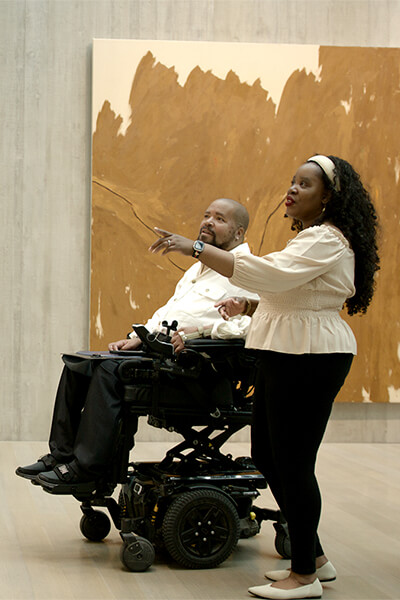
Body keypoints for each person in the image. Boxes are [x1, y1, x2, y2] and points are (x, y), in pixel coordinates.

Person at [149, 155, 380, 600]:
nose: (292, 190)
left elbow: (269, 275)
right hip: (286, 349)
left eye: (306, 185)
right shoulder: (311, 239)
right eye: (292, 182)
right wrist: (250, 307)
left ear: (328, 197)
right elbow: (290, 291)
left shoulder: (328, 239)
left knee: (293, 462)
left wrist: (193, 247)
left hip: (312, 355)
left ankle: (304, 578)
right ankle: (314, 558)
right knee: (267, 454)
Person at [16, 198, 258, 489]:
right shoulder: (198, 270)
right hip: (164, 356)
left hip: (198, 372)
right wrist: (135, 338)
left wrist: (201, 332)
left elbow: (249, 326)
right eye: (206, 215)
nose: (207, 221)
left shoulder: (246, 270)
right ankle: (61, 454)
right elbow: (168, 314)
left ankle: (85, 468)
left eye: (219, 219)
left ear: (239, 233)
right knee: (81, 363)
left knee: (108, 372)